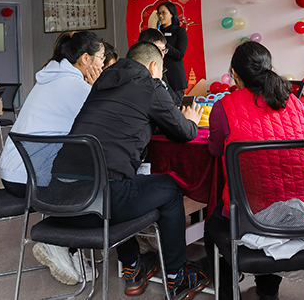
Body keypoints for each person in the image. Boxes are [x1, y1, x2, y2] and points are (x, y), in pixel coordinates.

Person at [52, 41, 207, 299]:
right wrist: (190, 120)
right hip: (99, 204)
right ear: (154, 66)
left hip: (59, 201)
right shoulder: (150, 85)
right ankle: (177, 277)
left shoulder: (101, 83)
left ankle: (133, 266)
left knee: (122, 182)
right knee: (168, 188)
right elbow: (184, 131)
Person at [204, 41, 304, 299]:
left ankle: (227, 291)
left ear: (235, 75)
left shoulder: (225, 106)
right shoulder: (295, 103)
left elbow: (215, 149)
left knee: (212, 225)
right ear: (271, 69)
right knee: (269, 197)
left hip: (249, 215)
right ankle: (268, 291)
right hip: (302, 212)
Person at [0, 31, 104, 286]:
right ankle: (59, 241)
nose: (103, 64)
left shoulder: (50, 78)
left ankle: (66, 244)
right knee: (96, 182)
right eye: (101, 57)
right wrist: (96, 89)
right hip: (31, 178)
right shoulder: (75, 86)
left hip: (13, 172)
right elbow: (106, 122)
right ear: (86, 59)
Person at [157, 0, 189, 103]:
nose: (160, 16)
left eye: (163, 12)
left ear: (171, 14)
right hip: (160, 77)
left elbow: (179, 54)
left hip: (175, 77)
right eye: (159, 13)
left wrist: (163, 42)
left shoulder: (179, 31)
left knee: (176, 106)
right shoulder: (156, 32)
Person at [139, 28, 180, 105]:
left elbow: (175, 101)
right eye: (158, 50)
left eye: (163, 50)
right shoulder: (139, 77)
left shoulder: (161, 71)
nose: (161, 54)